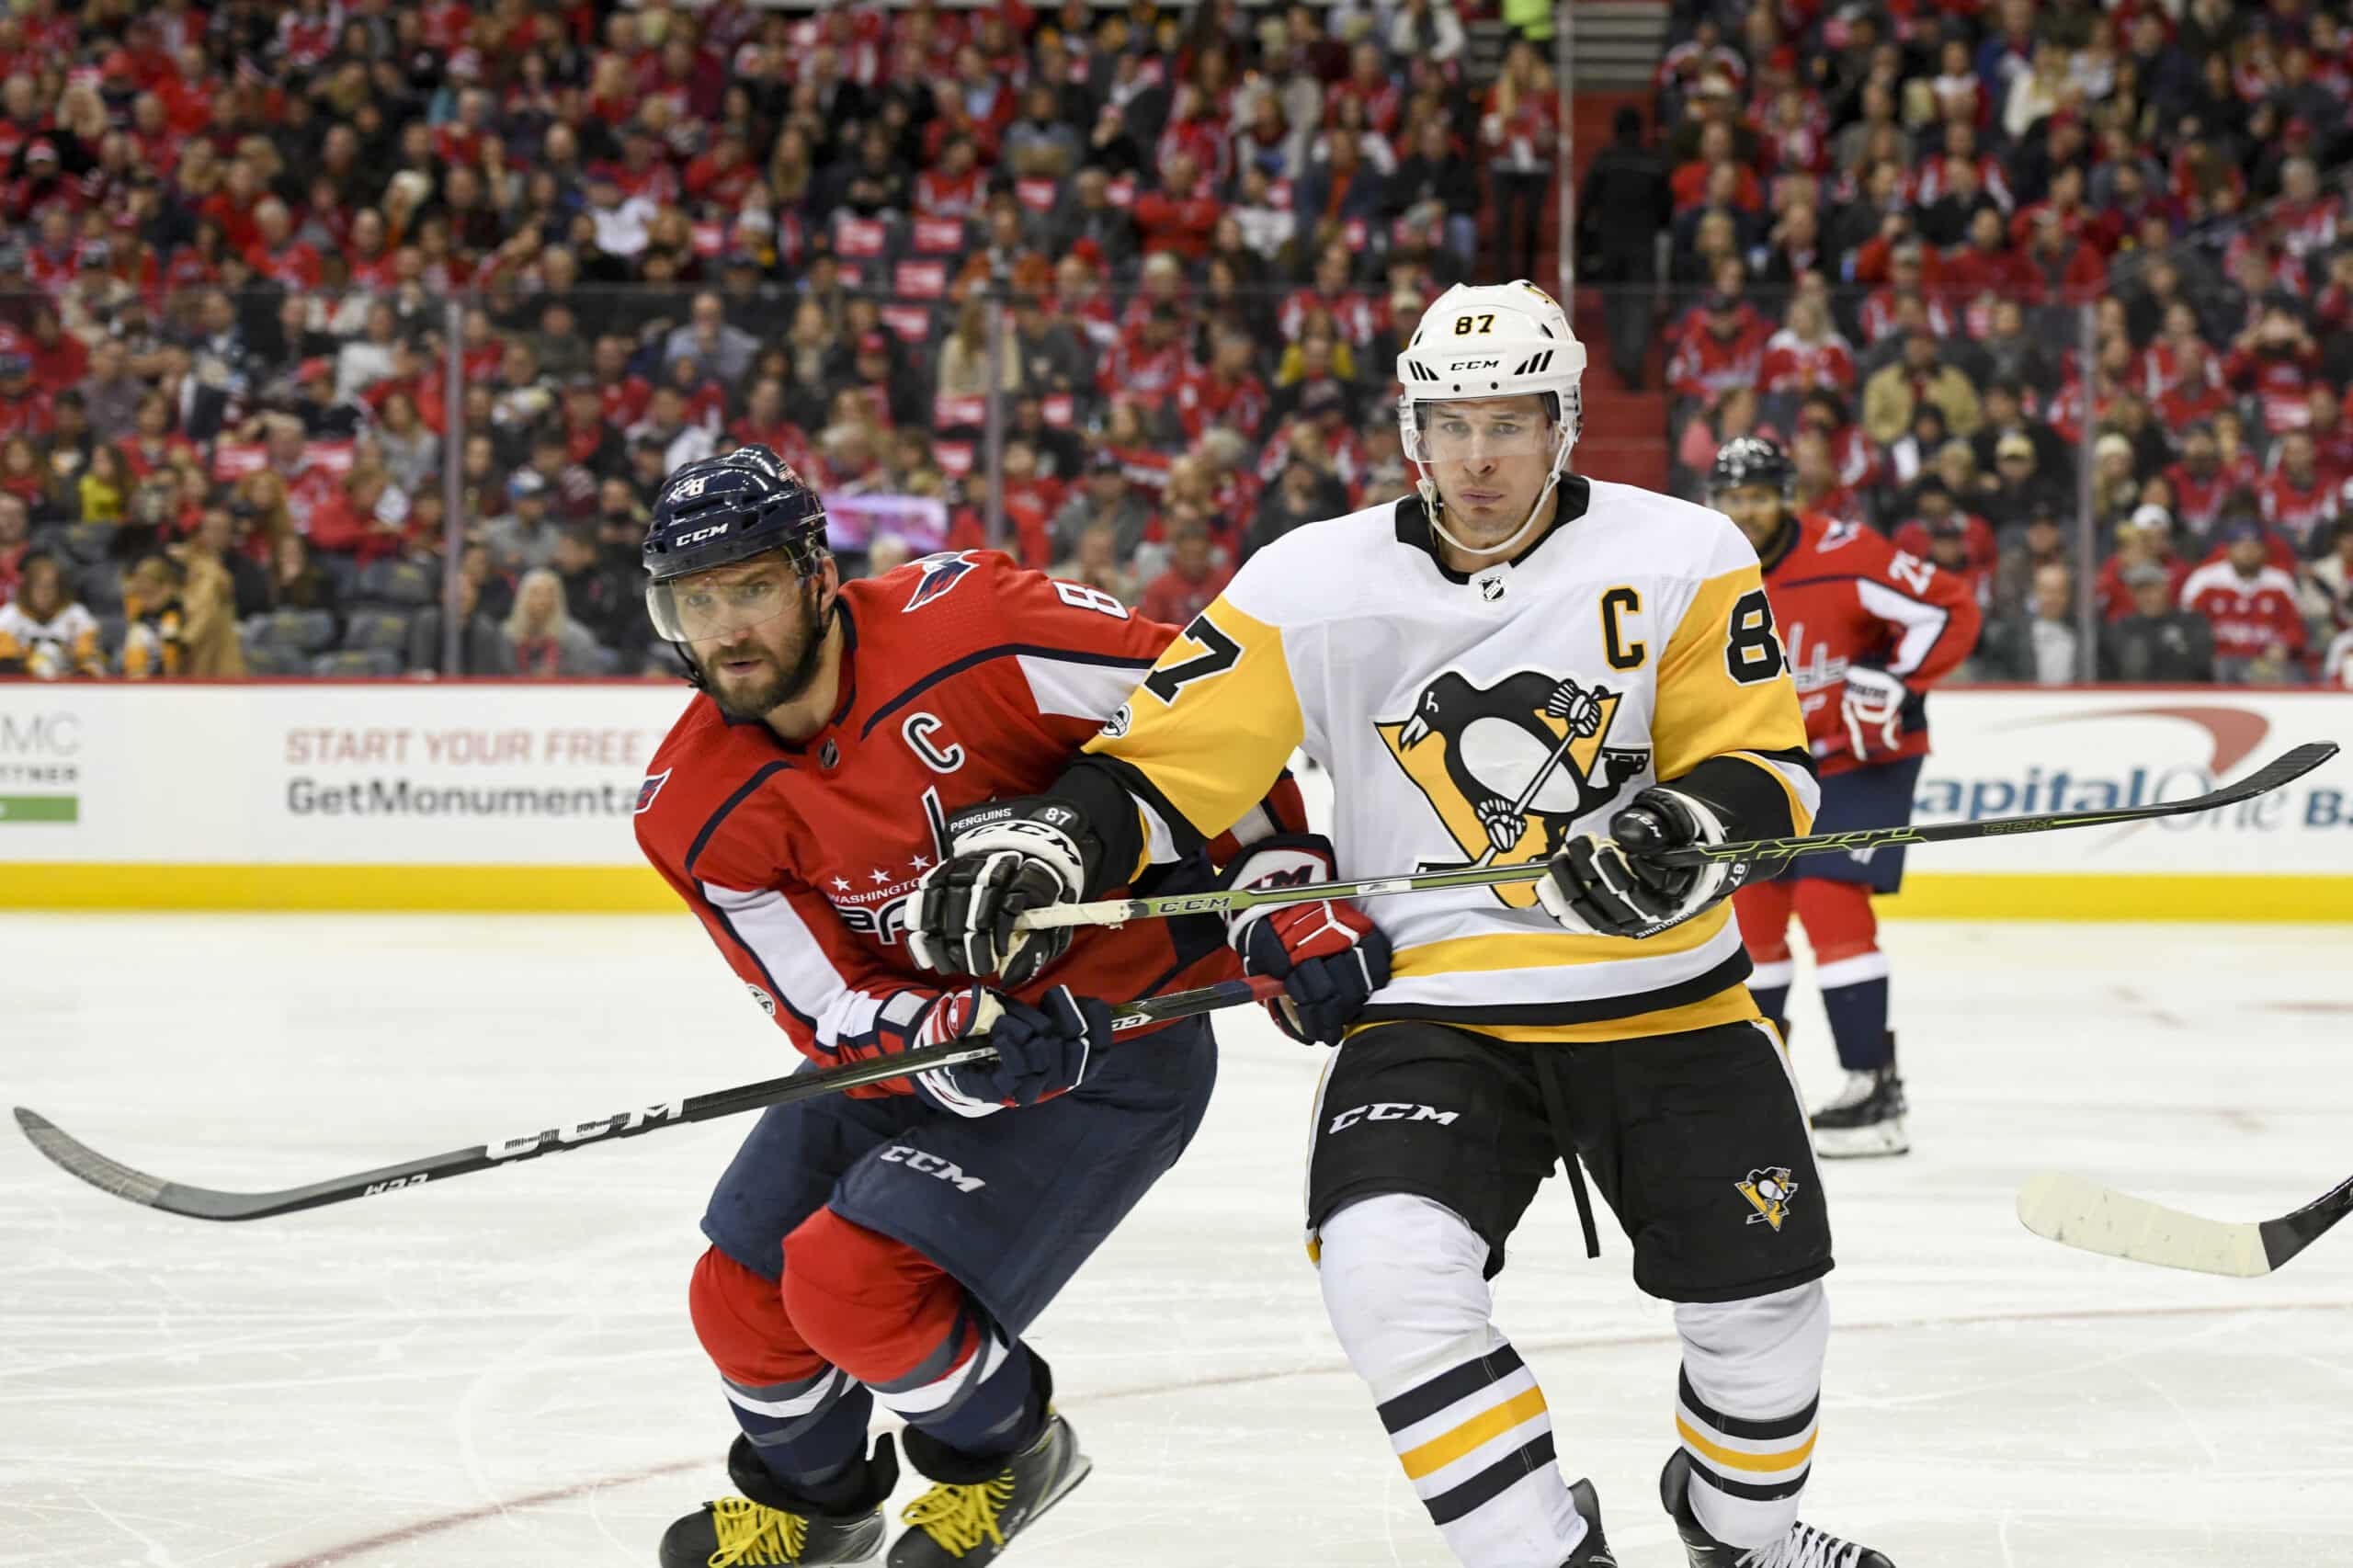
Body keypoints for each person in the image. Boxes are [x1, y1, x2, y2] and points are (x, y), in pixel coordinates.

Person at [908, 285, 1895, 1568]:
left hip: (1671, 997)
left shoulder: (1687, 553)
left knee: (1767, 1318)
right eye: (1451, 422)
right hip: (1434, 1008)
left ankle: (1737, 1528)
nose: (1478, 457)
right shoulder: (1308, 581)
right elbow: (1165, 768)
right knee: (1383, 1271)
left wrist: (1675, 835)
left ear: (1568, 422)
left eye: (1512, 422)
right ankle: (1545, 1549)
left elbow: (1769, 769)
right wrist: (1058, 835)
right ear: (1410, 429)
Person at [631, 448, 1304, 1567]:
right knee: (738, 1292)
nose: (726, 627)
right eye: (695, 601)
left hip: (1109, 1047)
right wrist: (940, 1042)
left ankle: (1008, 1454)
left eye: (748, 586)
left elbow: (1207, 712)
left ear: (813, 575)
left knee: (852, 1283)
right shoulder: (693, 807)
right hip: (926, 1051)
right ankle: (819, 1502)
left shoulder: (978, 626)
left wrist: (1276, 883)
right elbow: (827, 1002)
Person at [1709, 437, 1980, 1159]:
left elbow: (1950, 608)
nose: (1748, 513)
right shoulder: (1705, 566)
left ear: (1788, 496)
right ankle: (1760, 1087)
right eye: (1735, 499)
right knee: (1752, 923)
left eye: (1761, 497)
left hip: (1861, 758)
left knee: (1831, 903)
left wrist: (1896, 679)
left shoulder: (1846, 553)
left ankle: (1873, 1090)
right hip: (1767, 766)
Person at [0, 552, 106, 677]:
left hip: (68, 685)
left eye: (51, 586)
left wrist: (76, 670)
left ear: (60, 589)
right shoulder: (9, 616)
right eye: (39, 586)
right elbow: (5, 662)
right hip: (25, 684)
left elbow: (92, 662)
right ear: (27, 588)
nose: (45, 593)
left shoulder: (77, 616)